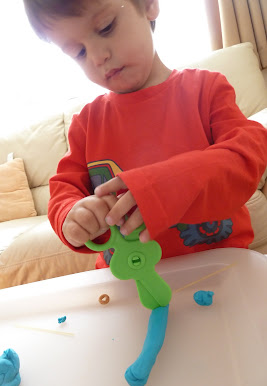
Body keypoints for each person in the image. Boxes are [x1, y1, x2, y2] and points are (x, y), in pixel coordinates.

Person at [23, 0, 267, 269]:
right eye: (78, 52)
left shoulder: (206, 90)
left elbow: (248, 154)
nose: (96, 57)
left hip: (217, 273)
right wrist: (72, 215)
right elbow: (64, 188)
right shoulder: (86, 124)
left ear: (149, 5)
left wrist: (168, 187)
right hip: (129, 282)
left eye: (106, 28)